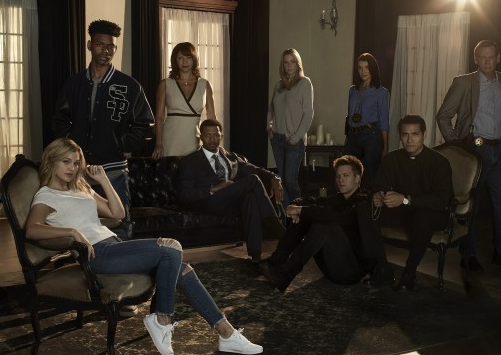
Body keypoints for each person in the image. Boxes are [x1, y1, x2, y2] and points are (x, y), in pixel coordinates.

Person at [25, 138, 263, 355]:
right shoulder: (46, 195)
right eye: (66, 162)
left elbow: (117, 213)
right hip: (97, 255)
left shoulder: (80, 188)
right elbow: (32, 229)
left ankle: (226, 333)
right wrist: (72, 232)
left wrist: (104, 180)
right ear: (51, 161)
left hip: (114, 246)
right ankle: (162, 318)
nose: (72, 168)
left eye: (76, 163)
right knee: (171, 248)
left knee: (184, 269)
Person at [52, 19, 154, 240]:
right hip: (77, 172)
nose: (105, 51)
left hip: (113, 172)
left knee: (119, 226)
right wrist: (71, 143)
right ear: (90, 45)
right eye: (100, 45)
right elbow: (59, 120)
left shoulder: (130, 86)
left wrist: (118, 144)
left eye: (111, 47)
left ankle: (122, 261)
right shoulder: (74, 84)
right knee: (79, 228)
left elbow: (145, 126)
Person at [436, 40, 501, 271]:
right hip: (474, 151)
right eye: (482, 57)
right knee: (470, 206)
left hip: (500, 151)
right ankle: (469, 255)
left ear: (498, 58)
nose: (486, 61)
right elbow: (443, 115)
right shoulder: (463, 82)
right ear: (475, 59)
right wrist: (457, 147)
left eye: (491, 57)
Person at [357, 115, 453, 291]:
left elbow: (442, 200)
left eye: (415, 134)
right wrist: (378, 196)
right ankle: (382, 268)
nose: (409, 140)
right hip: (401, 212)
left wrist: (405, 199)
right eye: (405, 134)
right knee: (364, 209)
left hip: (432, 213)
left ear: (424, 134)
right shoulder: (391, 159)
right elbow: (379, 186)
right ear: (400, 136)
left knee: (423, 217)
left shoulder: (439, 162)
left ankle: (409, 272)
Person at [177, 119, 284, 262]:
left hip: (230, 203)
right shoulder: (189, 161)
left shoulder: (231, 157)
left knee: (250, 198)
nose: (212, 139)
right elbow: (184, 195)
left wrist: (274, 177)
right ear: (201, 137)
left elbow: (256, 169)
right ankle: (276, 227)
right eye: (207, 135)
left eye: (216, 135)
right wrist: (213, 188)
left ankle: (256, 257)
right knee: (252, 180)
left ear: (221, 136)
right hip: (207, 202)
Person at [259, 155, 369, 293]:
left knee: (322, 223)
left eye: (346, 175)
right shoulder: (338, 198)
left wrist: (301, 210)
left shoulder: (363, 201)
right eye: (338, 176)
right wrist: (295, 205)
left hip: (351, 272)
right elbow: (311, 201)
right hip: (331, 269)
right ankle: (275, 262)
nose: (340, 179)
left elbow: (336, 217)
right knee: (309, 215)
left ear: (357, 178)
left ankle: (285, 275)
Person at [267, 48, 314, 206]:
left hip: (294, 140)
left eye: (292, 61)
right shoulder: (278, 85)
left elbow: (308, 113)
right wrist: (269, 128)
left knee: (290, 181)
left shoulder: (304, 83)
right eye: (286, 62)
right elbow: (271, 109)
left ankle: (298, 212)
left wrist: (296, 137)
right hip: (277, 139)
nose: (289, 65)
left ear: (298, 63)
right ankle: (286, 213)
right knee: (281, 180)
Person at [152, 42, 216, 158]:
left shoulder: (205, 85)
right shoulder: (165, 84)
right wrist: (159, 143)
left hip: (194, 139)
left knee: (193, 168)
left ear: (194, 59)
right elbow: (159, 117)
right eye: (180, 58)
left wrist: (213, 142)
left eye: (188, 57)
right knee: (170, 169)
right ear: (175, 61)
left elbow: (211, 117)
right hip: (170, 139)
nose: (184, 62)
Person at [344, 53, 390, 190]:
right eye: (360, 68)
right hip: (353, 135)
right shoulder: (353, 91)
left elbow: (384, 120)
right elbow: (349, 116)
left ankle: (371, 201)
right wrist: (348, 137)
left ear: (373, 69)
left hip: (372, 135)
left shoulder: (381, 92)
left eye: (367, 68)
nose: (363, 71)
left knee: (371, 173)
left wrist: (385, 147)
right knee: (346, 169)